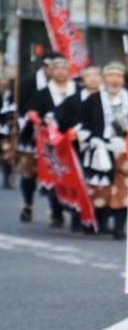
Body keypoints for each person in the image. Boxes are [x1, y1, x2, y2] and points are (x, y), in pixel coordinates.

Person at [78, 62, 128, 238]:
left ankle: (119, 228)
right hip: (100, 148)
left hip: (125, 149)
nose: (114, 80)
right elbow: (82, 124)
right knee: (101, 188)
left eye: (118, 76)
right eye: (110, 76)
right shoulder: (93, 100)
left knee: (124, 189)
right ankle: (99, 222)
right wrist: (90, 139)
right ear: (103, 78)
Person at [17, 52, 64, 223]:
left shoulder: (68, 86)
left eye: (60, 67)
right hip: (31, 133)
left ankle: (55, 210)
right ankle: (28, 204)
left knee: (55, 172)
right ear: (45, 67)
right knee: (28, 171)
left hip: (56, 137)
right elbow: (20, 106)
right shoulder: (29, 82)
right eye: (52, 67)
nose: (56, 71)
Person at [0, 77, 16, 189]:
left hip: (7, 128)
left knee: (8, 155)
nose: (3, 86)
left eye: (5, 83)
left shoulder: (13, 95)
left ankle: (7, 178)